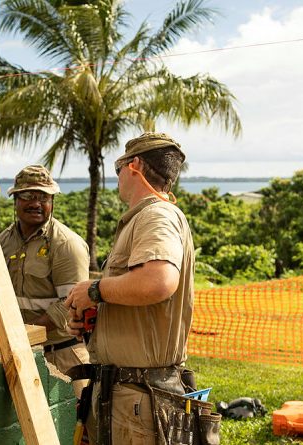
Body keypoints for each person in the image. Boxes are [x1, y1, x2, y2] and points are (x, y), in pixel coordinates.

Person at [64, 133, 217, 445]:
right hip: (126, 395)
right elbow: (140, 298)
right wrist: (97, 319)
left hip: (138, 402)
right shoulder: (146, 218)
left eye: (119, 167)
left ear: (133, 165)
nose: (118, 176)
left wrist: (94, 290)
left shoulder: (156, 215)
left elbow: (158, 281)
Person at [0, 165, 91, 396]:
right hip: (20, 352)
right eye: (28, 196)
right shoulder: (3, 241)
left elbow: (69, 304)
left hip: (62, 356)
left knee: (77, 427)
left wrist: (24, 335)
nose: (35, 203)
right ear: (15, 199)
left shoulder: (66, 245)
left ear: (52, 202)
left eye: (43, 197)